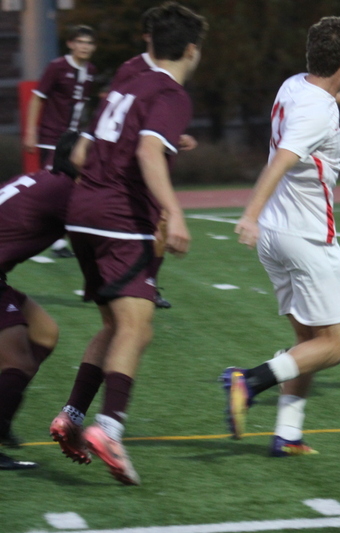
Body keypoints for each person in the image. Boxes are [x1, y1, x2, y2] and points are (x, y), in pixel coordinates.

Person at [49, 2, 207, 485]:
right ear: (193, 50)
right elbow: (145, 149)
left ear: (148, 42)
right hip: (121, 217)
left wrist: (168, 137)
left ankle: (72, 417)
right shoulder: (172, 91)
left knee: (116, 325)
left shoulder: (130, 70)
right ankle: (109, 428)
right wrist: (174, 212)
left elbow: (120, 130)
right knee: (137, 331)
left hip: (82, 212)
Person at [219, 16, 340, 456]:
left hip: (276, 234)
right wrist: (247, 214)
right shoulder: (318, 111)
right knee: (338, 344)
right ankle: (247, 381)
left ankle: (288, 434)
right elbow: (282, 160)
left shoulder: (294, 85)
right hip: (305, 237)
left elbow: (323, 93)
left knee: (310, 343)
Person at [70, 7, 197, 310]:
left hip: (100, 191)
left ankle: (147, 283)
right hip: (119, 189)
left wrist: (172, 137)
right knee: (132, 330)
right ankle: (141, 285)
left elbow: (135, 124)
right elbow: (131, 134)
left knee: (160, 219)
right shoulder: (136, 71)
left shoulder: (156, 74)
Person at [0, 132, 80, 470]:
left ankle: (2, 418)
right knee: (18, 361)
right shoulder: (65, 192)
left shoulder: (47, 179)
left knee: (44, 333)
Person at [23, 25, 96, 259]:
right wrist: (31, 131)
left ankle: (61, 237)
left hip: (73, 138)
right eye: (80, 41)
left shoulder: (91, 71)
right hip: (52, 137)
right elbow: (38, 99)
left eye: (89, 43)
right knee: (53, 186)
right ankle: (46, 237)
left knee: (73, 186)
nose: (85, 46)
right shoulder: (57, 67)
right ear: (71, 44)